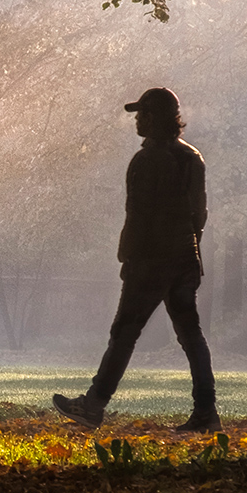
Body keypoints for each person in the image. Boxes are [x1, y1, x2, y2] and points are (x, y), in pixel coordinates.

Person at [54, 87, 219, 432]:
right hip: (185, 258)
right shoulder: (193, 158)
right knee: (191, 335)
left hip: (150, 261)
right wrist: (192, 253)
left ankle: (93, 405)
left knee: (124, 333)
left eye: (142, 114)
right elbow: (199, 215)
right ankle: (206, 411)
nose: (137, 121)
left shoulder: (145, 161)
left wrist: (126, 256)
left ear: (154, 118)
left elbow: (138, 216)